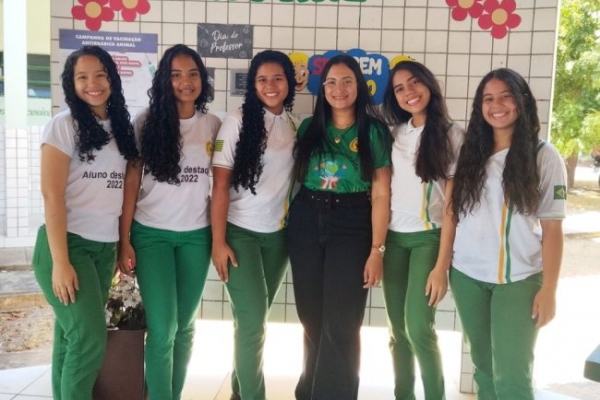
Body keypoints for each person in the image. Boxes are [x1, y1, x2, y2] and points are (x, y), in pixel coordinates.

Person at [448, 68, 566, 400]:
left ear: (522, 101)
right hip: (467, 276)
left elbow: (553, 229)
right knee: (483, 368)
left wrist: (549, 289)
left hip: (519, 279)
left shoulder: (543, 155)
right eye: (488, 99)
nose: (496, 105)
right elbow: (452, 213)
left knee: (512, 375)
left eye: (506, 96)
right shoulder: (470, 153)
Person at [32, 45, 138, 400]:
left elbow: (121, 192)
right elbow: (51, 196)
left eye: (100, 75)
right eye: (82, 77)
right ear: (71, 83)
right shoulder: (63, 126)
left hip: (103, 247)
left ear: (112, 79)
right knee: (89, 339)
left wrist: (122, 242)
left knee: (71, 338)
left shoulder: (120, 128)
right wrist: (60, 262)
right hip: (68, 245)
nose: (93, 84)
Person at [118, 44, 221, 400]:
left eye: (192, 74)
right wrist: (124, 239)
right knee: (163, 329)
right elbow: (131, 182)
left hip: (196, 237)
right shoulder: (145, 122)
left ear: (202, 79)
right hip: (152, 236)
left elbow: (221, 186)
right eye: (176, 75)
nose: (185, 81)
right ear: (165, 80)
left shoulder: (212, 124)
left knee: (186, 326)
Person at [287, 54, 392, 400]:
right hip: (306, 218)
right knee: (311, 317)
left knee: (342, 322)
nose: (339, 89)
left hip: (353, 222)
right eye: (331, 82)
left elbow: (381, 192)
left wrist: (377, 249)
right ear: (323, 89)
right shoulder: (308, 128)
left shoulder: (374, 131)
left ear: (359, 86)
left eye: (347, 81)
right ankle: (310, 391)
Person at [210, 49, 298, 400]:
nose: (270, 85)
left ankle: (238, 391)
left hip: (277, 237)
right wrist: (218, 242)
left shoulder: (293, 124)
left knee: (253, 322)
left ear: (290, 83)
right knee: (252, 323)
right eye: (262, 79)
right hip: (239, 234)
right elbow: (219, 186)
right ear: (253, 85)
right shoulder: (238, 122)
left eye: (277, 78)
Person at [380, 60, 464, 400]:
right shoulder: (395, 134)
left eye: (414, 83)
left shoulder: (452, 134)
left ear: (429, 85)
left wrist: (442, 266)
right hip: (393, 241)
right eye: (399, 88)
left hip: (428, 240)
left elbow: (452, 207)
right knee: (397, 330)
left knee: (418, 328)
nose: (409, 92)